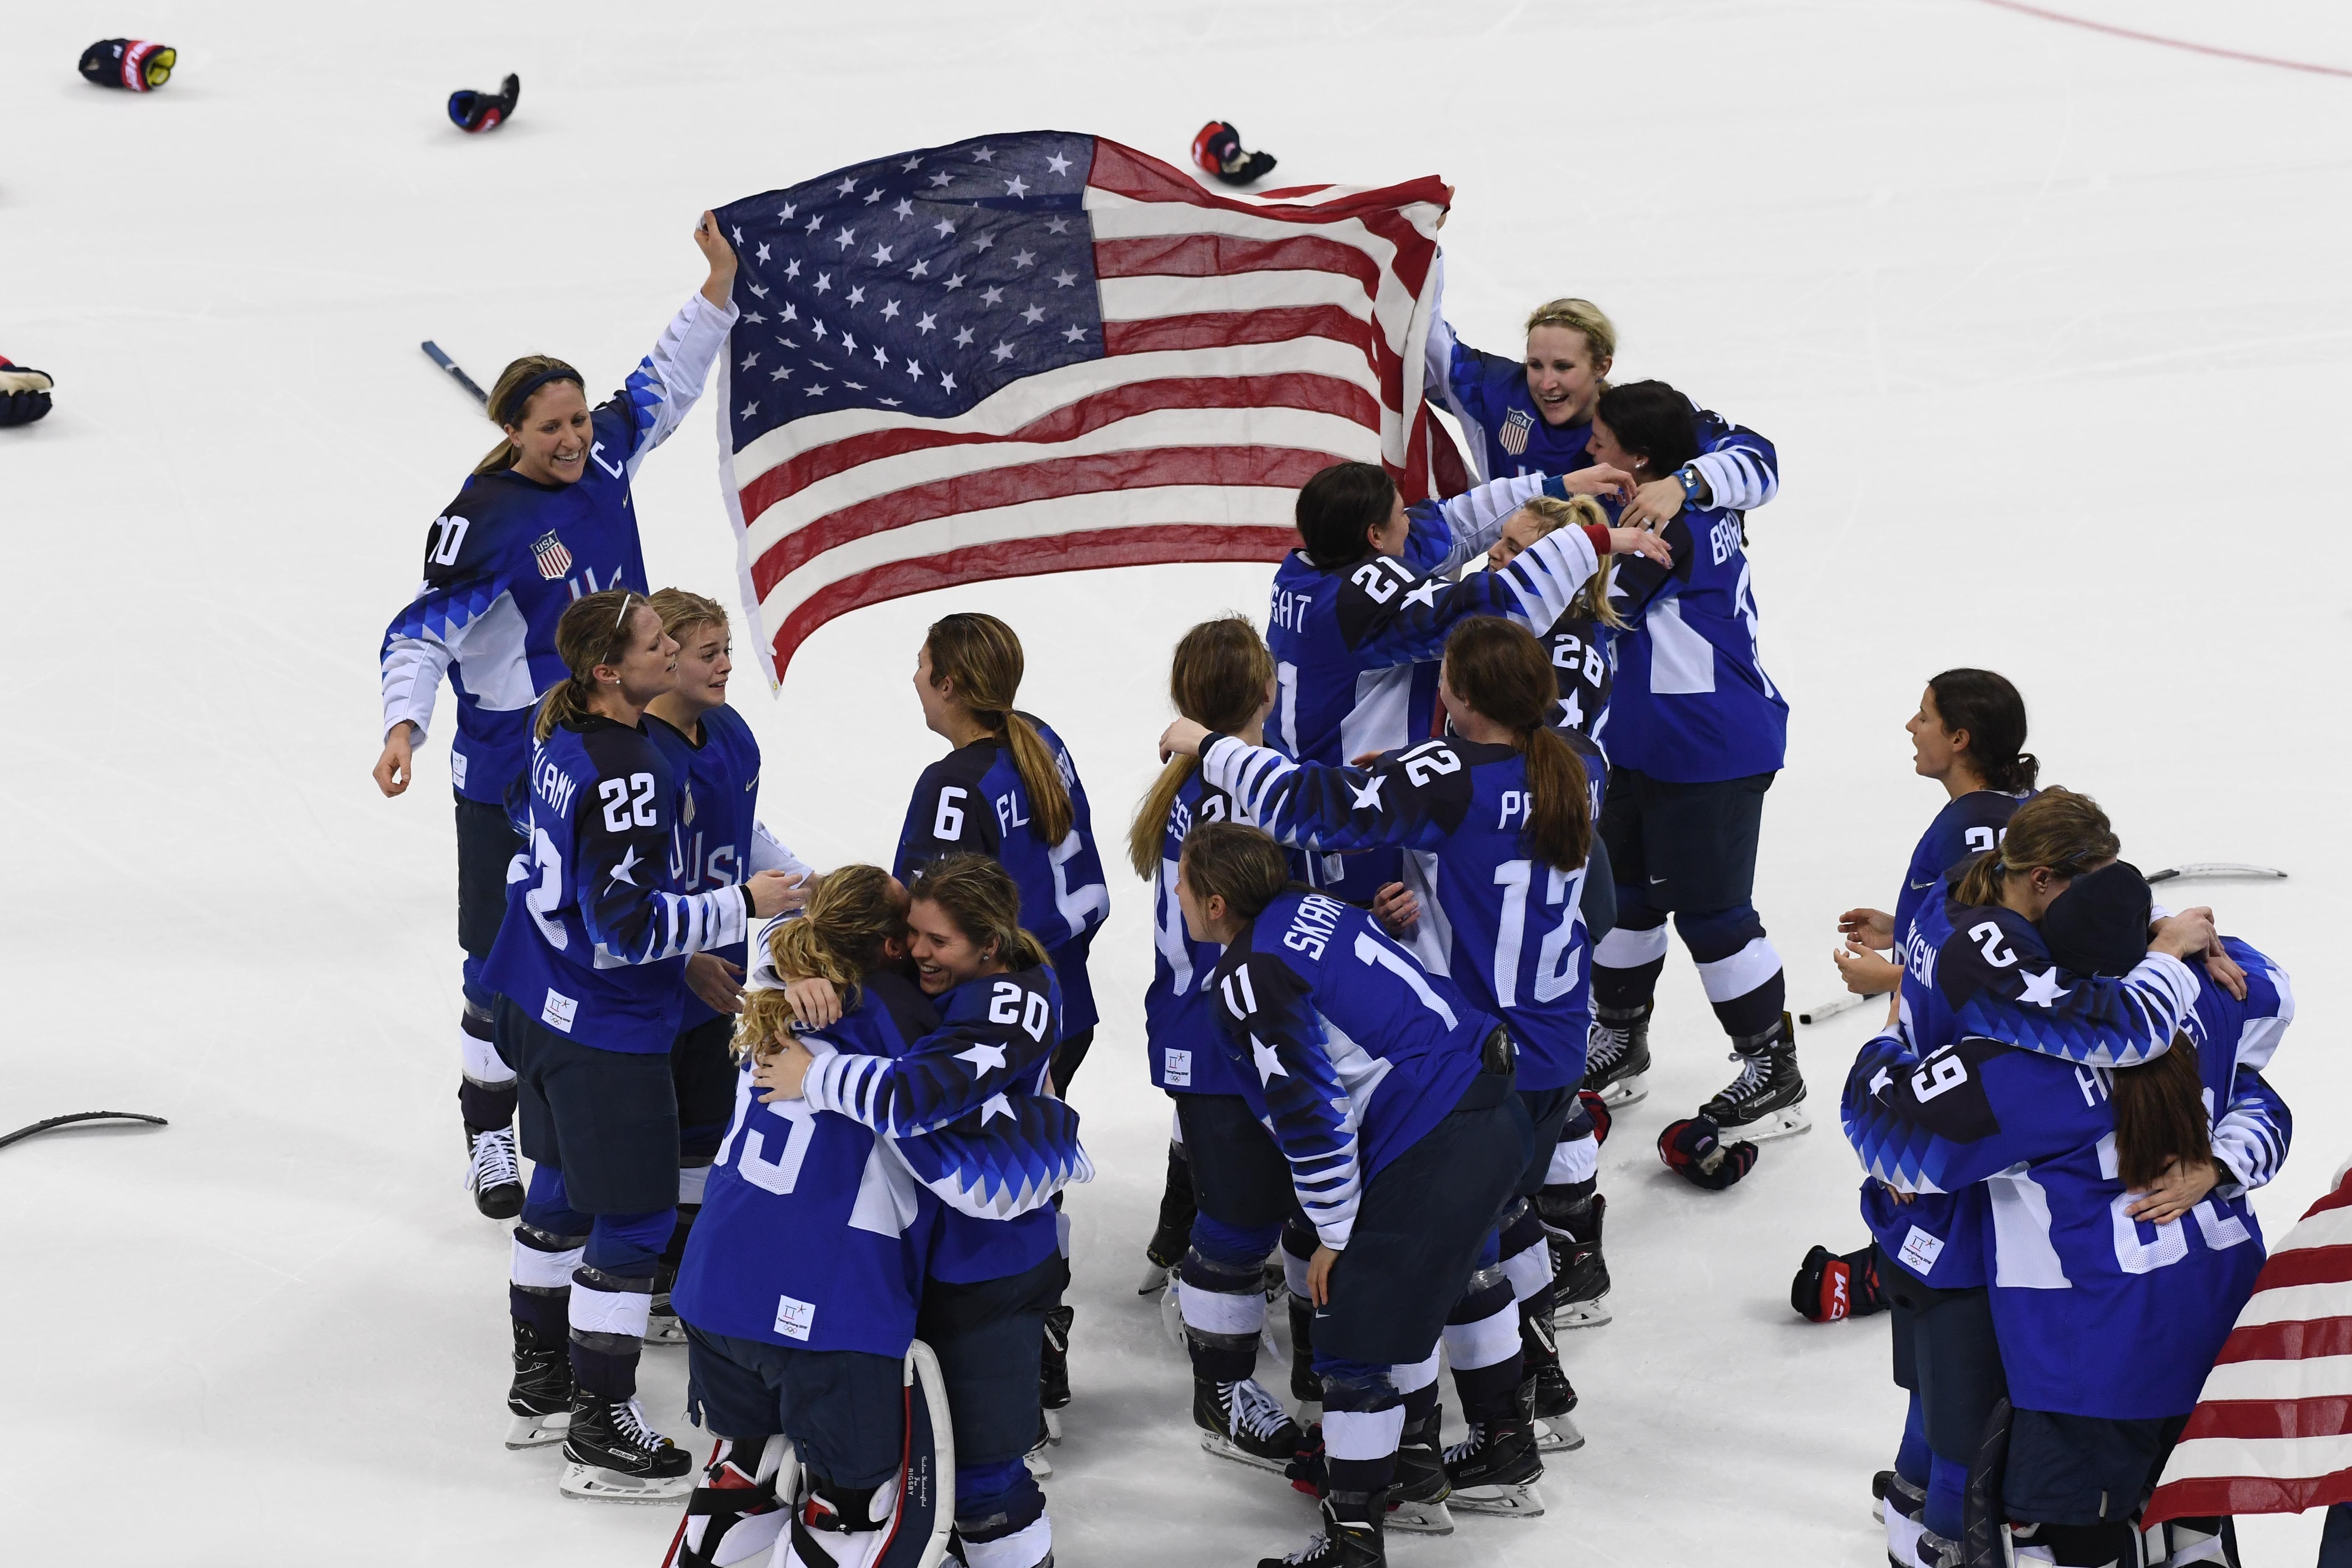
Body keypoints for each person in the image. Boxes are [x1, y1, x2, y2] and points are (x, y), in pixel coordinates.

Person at [1163, 616, 1611, 1463]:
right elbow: (1504, 860)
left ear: (1460, 696)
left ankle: (1412, 1447)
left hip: (1479, 1052)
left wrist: (1205, 742)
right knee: (1491, 1225)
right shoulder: (1579, 760)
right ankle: (1529, 1395)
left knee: (1427, 1252)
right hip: (1556, 1036)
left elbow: (1315, 808)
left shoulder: (1445, 774)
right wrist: (1424, 894)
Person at [373, 212, 740, 1218]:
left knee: (619, 930)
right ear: (512, 435)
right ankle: (488, 1133)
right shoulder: (482, 526)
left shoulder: (608, 456)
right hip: (510, 768)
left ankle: (637, 1109)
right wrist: (405, 724)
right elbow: (418, 634)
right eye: (552, 428)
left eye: (579, 420)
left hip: (623, 744)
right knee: (499, 969)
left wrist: (716, 285)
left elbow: (660, 384)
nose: (575, 439)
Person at [1846, 864, 2287, 1568]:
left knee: (2056, 1541)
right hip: (2213, 1332)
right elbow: (2266, 1082)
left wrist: (1893, 1025)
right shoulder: (2214, 996)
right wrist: (2222, 1162)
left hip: (2093, 1362)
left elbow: (1894, 1139)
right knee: (2183, 1522)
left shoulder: (2023, 1074)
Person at [484, 590, 804, 1500]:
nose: (674, 649)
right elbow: (623, 928)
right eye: (660, 641)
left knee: (555, 1197)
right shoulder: (633, 770)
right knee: (630, 1220)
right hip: (604, 1023)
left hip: (538, 1002)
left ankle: (540, 1387)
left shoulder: (564, 741)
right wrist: (744, 907)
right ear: (610, 672)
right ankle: (599, 1426)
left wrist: (693, 951)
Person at [1178, 821, 1536, 1567]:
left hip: (1432, 1137)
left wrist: (1335, 1229)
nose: (1174, 896)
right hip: (1494, 1105)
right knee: (1463, 1274)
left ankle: (1353, 1543)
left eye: (1182, 886)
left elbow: (1313, 1116)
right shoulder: (1315, 908)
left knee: (1352, 1342)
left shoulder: (1252, 974)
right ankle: (1494, 1443)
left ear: (1215, 905)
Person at [758, 855, 1083, 1568]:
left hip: (993, 1269)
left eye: (936, 941)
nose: (914, 952)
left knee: (984, 1479)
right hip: (955, 1264)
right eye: (909, 934)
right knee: (938, 1464)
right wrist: (796, 969)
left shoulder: (1007, 1004)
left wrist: (814, 1074)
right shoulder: (956, 973)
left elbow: (920, 1096)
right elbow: (824, 926)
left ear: (988, 945)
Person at [664, 866, 936, 1568]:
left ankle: (726, 1512)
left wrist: (786, 941)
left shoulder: (770, 991)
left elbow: (779, 937)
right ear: (886, 947)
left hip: (714, 1292)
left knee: (746, 1463)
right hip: (824, 1312)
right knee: (850, 1509)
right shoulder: (898, 1017)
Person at [1269, 459, 1668, 904]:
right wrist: (1595, 540)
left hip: (1497, 842)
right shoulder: (1364, 602)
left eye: (1514, 548)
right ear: (1374, 538)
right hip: (1355, 821)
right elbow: (1500, 603)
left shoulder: (1308, 571)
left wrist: (1556, 484)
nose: (1491, 553)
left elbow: (1446, 525)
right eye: (1402, 515)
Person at [1578, 380, 1797, 1144]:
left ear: (1639, 459)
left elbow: (1592, 612)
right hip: (1645, 741)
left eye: (1599, 440)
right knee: (1627, 900)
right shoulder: (1682, 492)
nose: (1586, 450)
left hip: (1706, 748)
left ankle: (1772, 1065)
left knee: (1713, 915)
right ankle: (1621, 1035)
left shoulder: (1666, 530)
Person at [1127, 616, 1317, 1472]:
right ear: (1266, 692)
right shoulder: (1262, 789)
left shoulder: (1187, 783)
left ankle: (1267, 1340)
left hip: (1199, 1029)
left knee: (1265, 1207)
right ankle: (1223, 1390)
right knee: (1245, 1220)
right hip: (1232, 1033)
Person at [639, 588, 814, 1346]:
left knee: (706, 1132)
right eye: (708, 653)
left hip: (720, 979)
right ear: (664, 657)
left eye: (726, 650)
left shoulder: (731, 736)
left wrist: (814, 889)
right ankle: (634, 1270)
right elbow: (615, 896)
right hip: (648, 984)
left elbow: (741, 837)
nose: (726, 666)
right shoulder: (633, 757)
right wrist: (682, 962)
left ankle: (678, 1273)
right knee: (645, 1137)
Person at [1422, 268, 1780, 529]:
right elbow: (1421, 347)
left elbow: (1759, 461)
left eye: (1564, 367)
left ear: (1602, 366)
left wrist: (1682, 485)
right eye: (1535, 365)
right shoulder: (1498, 392)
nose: (1547, 383)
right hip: (1515, 597)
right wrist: (1422, 241)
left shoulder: (1644, 417)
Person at [1833, 670, 2040, 1012]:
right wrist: (1906, 928)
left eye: (1925, 717)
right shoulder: (2010, 805)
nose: (1911, 726)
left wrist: (1891, 978)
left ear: (1959, 739)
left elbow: (2002, 972)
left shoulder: (1978, 826)